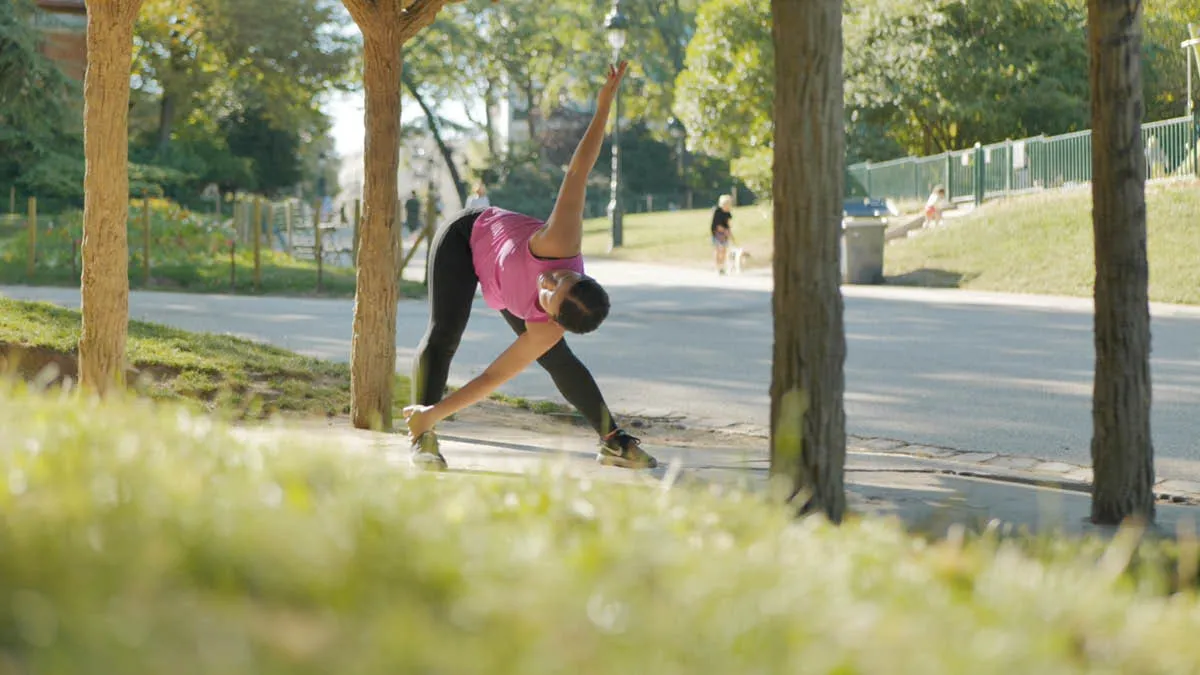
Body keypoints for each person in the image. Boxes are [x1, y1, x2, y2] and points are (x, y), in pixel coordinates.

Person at [401, 61, 658, 472]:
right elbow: (578, 170)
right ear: (580, 272)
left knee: (559, 358)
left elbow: (490, 379)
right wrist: (604, 107)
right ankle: (423, 438)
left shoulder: (544, 329)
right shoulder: (561, 243)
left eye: (548, 292)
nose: (549, 278)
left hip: (504, 285)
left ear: (551, 316)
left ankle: (612, 441)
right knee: (445, 332)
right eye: (563, 275)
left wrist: (438, 410)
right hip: (466, 238)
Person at [710, 194, 735, 274]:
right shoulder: (717, 212)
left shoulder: (728, 213)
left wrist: (730, 233)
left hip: (724, 233)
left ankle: (722, 266)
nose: (727, 206)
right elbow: (717, 226)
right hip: (717, 233)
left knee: (724, 250)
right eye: (726, 204)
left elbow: (728, 224)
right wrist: (725, 231)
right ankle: (717, 266)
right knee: (718, 249)